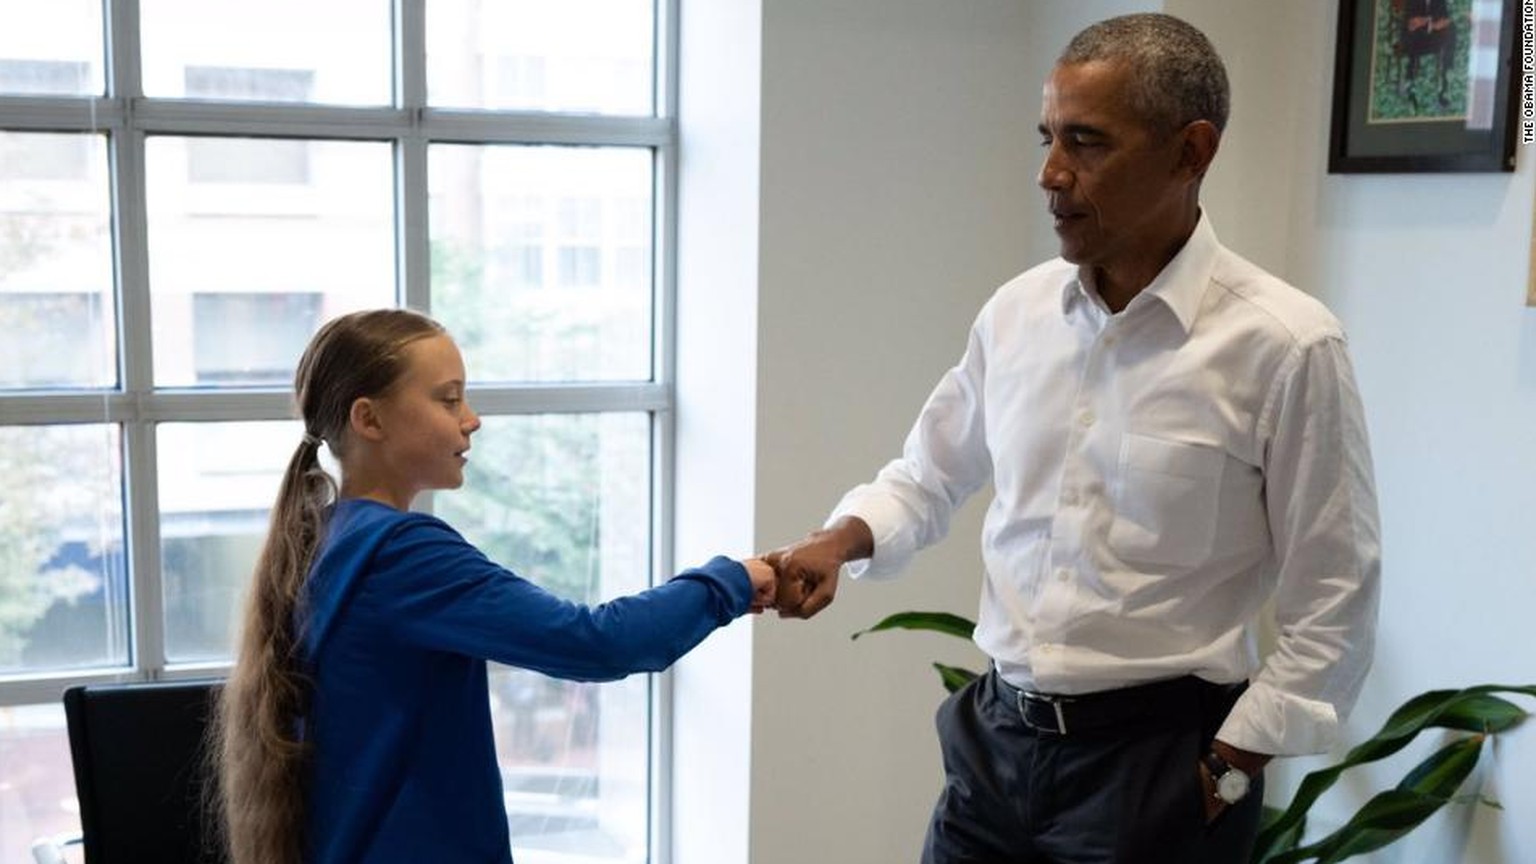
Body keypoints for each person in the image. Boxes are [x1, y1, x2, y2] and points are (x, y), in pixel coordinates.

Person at [767, 13, 1380, 864]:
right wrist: (840, 541)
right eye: (1048, 137)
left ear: (1190, 152)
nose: (1051, 175)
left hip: (1162, 770)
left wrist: (1230, 769)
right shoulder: (1016, 314)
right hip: (993, 748)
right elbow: (927, 475)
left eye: (1087, 143)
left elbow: (1335, 595)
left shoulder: (1286, 346)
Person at [213, 308, 775, 864]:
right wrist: (733, 580)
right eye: (448, 398)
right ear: (370, 419)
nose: (471, 418)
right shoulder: (402, 554)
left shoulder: (329, 538)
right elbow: (597, 642)